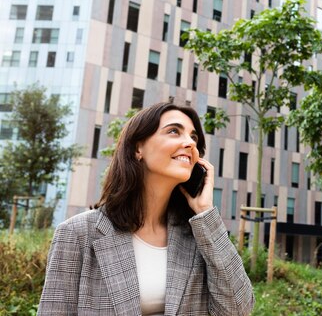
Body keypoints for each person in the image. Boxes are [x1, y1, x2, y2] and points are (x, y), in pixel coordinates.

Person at [38, 102, 255, 315]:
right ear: (137, 148)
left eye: (194, 137)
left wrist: (205, 211)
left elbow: (238, 309)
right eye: (174, 131)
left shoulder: (199, 235)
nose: (189, 142)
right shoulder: (78, 233)